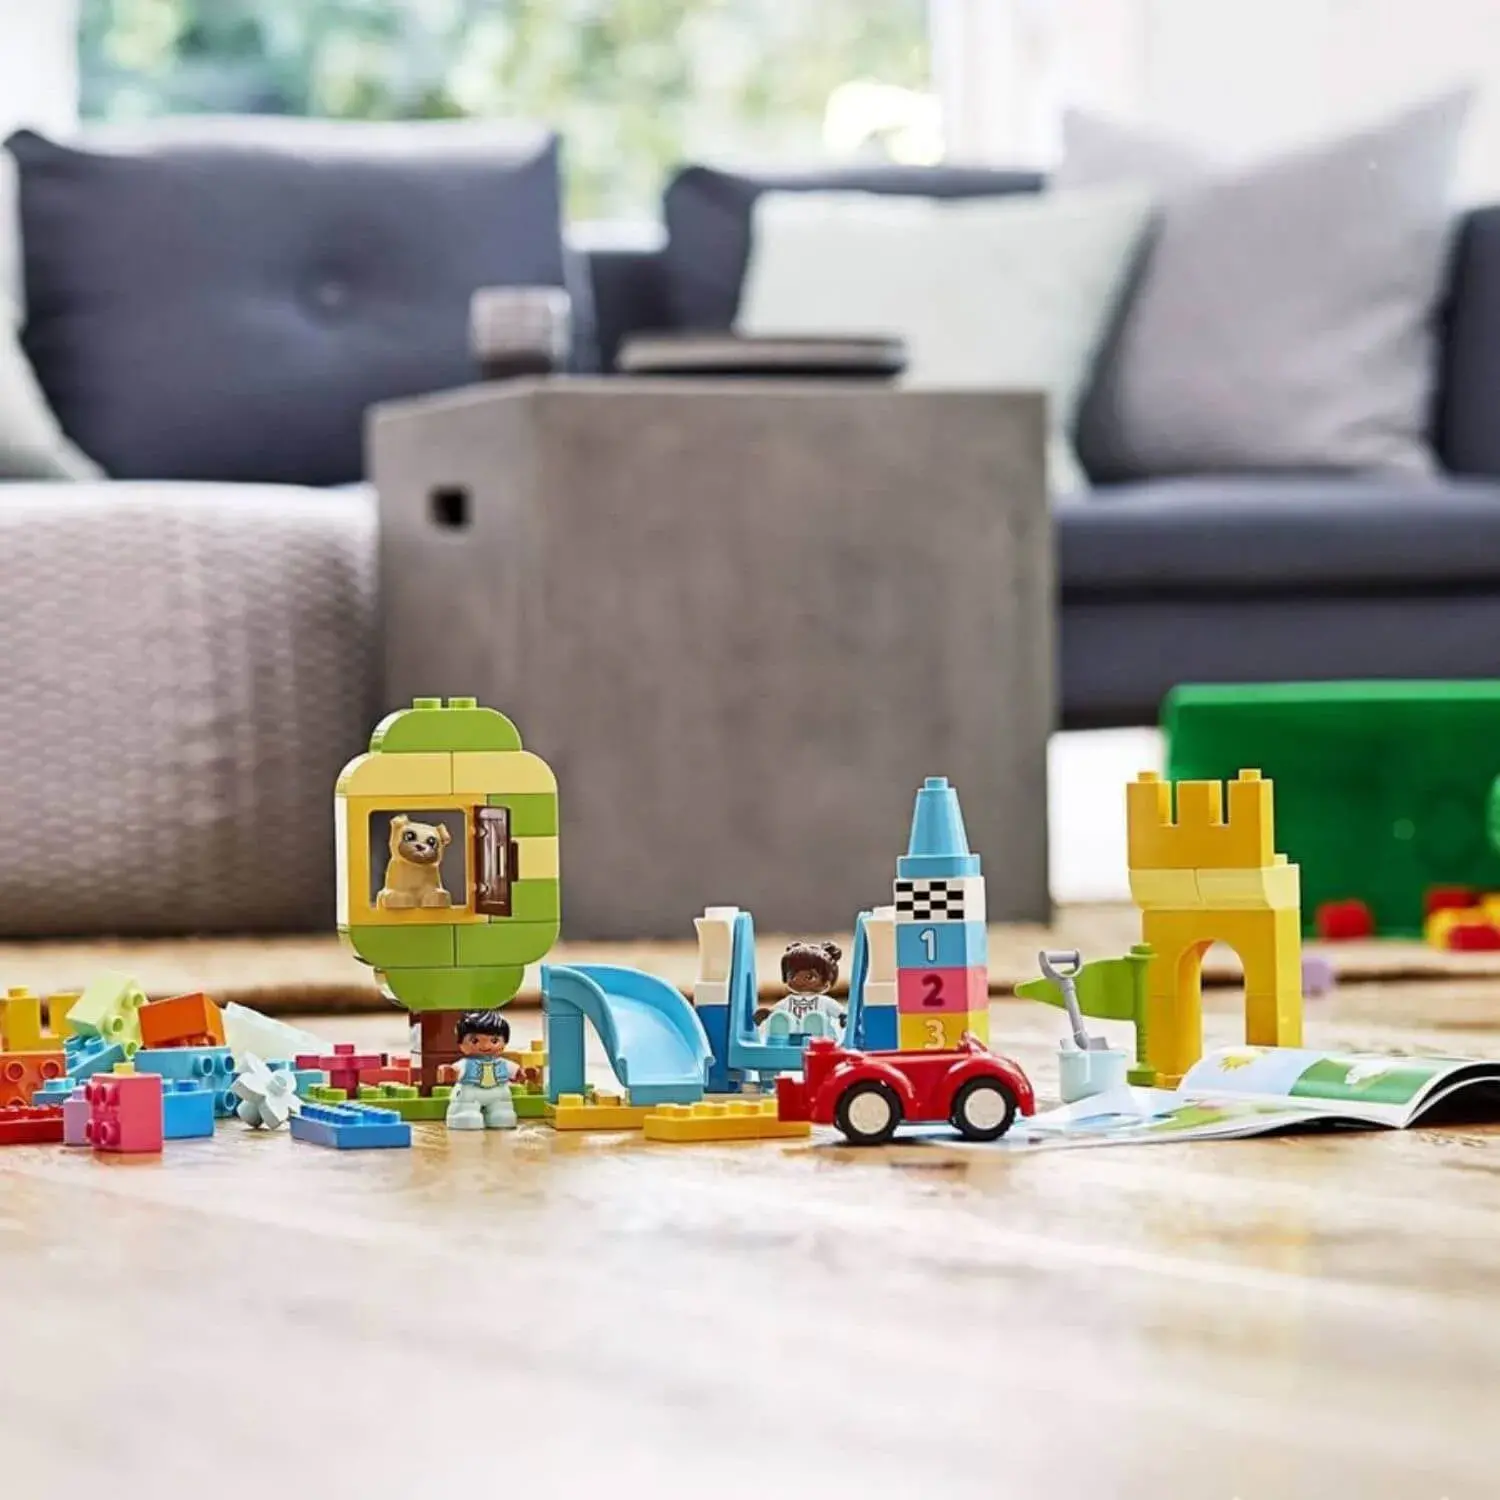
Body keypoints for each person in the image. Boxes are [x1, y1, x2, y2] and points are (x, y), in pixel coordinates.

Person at [441, 1009, 530, 1130]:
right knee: (465, 1106)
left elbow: (516, 1072)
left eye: (494, 1041)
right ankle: (464, 1115)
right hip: (471, 1091)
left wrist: (522, 1073)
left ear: (504, 1043)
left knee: (503, 1109)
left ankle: (500, 1114)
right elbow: (456, 1070)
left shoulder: (503, 1063)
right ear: (461, 1044)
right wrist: (450, 1072)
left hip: (497, 1092)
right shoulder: (466, 1064)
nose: (485, 1046)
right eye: (475, 1041)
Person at [759, 940, 845, 1040]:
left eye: (809, 977)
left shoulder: (824, 1002)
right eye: (793, 976)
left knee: (816, 1018)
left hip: (819, 1039)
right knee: (782, 1018)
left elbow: (838, 1011)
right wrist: (767, 1013)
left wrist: (843, 1017)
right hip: (792, 1038)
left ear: (827, 980)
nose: (799, 981)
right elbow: (776, 1010)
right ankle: (780, 1038)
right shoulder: (789, 1001)